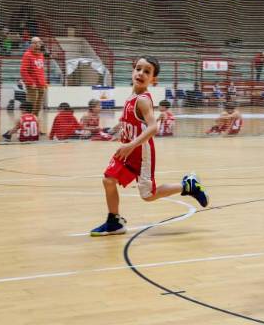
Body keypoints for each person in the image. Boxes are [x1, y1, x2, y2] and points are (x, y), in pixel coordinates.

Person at [90, 56, 209, 236]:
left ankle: (188, 185)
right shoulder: (131, 96)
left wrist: (131, 143)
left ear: (153, 80)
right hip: (128, 149)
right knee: (108, 179)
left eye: (147, 71)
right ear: (132, 71)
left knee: (148, 195)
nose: (141, 73)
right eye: (138, 69)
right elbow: (130, 121)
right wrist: (117, 132)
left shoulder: (143, 100)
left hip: (141, 152)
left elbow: (153, 127)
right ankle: (114, 221)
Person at [20, 37, 47, 117]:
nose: (37, 44)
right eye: (35, 43)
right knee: (31, 105)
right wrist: (31, 82)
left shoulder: (41, 55)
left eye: (39, 42)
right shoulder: (27, 55)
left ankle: (34, 121)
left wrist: (44, 82)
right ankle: (27, 120)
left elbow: (41, 70)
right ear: (31, 44)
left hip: (41, 85)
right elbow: (23, 71)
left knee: (38, 107)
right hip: (32, 86)